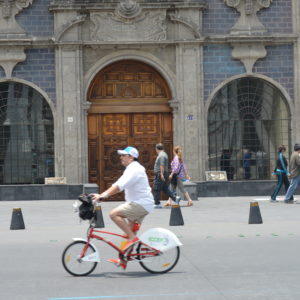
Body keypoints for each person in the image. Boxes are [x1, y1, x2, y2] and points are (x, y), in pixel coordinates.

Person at [91, 146, 154, 269]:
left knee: (114, 214)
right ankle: (123, 260)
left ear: (131, 157)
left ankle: (132, 238)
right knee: (128, 232)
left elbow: (119, 186)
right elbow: (119, 184)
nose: (120, 157)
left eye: (123, 155)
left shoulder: (134, 169)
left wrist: (103, 195)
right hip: (141, 204)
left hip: (140, 204)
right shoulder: (132, 168)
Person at [152, 143, 178, 208]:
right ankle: (175, 198)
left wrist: (161, 174)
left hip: (160, 174)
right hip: (163, 173)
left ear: (156, 149)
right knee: (165, 188)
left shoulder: (161, 155)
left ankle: (157, 204)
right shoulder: (164, 154)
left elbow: (162, 165)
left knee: (156, 188)